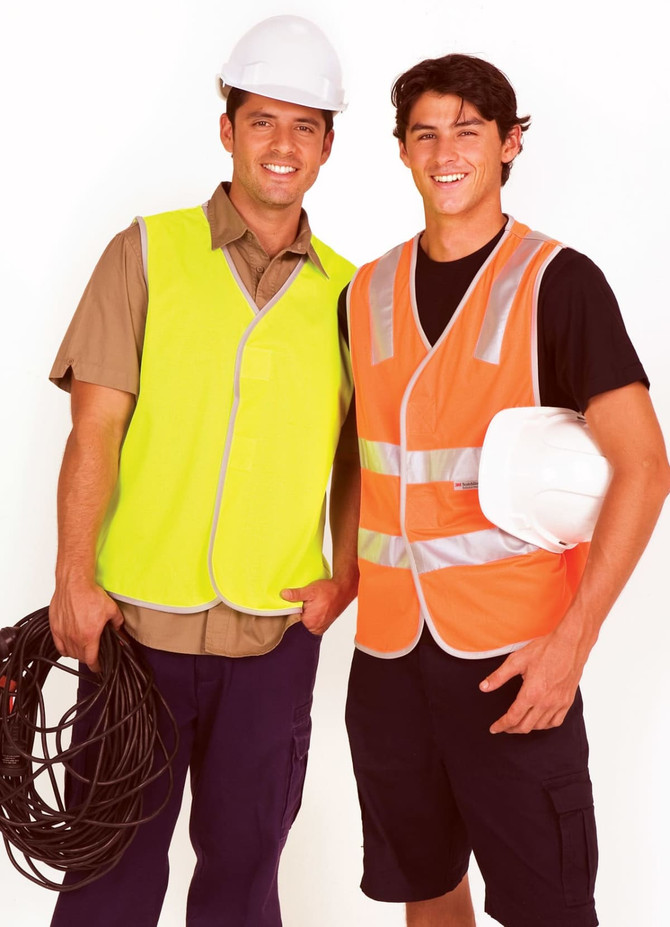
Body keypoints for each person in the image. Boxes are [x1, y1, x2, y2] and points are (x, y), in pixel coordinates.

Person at [47, 15, 359, 927]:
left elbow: (360, 457)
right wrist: (73, 577)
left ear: (328, 146)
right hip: (135, 631)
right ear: (227, 130)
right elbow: (94, 428)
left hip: (273, 638)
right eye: (262, 120)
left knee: (244, 887)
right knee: (106, 885)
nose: (282, 144)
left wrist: (345, 576)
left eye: (305, 125)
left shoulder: (353, 294)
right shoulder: (145, 252)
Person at [344, 53, 669, 927]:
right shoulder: (365, 291)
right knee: (426, 889)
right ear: (402, 151)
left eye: (468, 131)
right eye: (425, 134)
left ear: (510, 143)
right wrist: (339, 577)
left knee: (547, 909)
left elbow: (645, 466)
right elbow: (360, 462)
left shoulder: (560, 282)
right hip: (387, 660)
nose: (445, 152)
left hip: (515, 662)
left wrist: (574, 642)